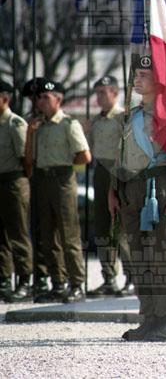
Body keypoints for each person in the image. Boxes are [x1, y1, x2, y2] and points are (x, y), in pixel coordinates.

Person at [108, 56, 166, 342]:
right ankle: (148, 318)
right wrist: (112, 191)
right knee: (138, 256)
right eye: (137, 74)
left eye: (145, 75)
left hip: (158, 187)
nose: (137, 79)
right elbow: (120, 155)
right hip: (129, 188)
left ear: (159, 81)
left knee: (160, 256)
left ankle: (165, 322)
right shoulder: (130, 115)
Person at [24, 79, 92, 304]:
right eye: (39, 98)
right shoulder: (38, 126)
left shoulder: (68, 124)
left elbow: (84, 155)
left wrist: (63, 164)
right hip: (41, 179)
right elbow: (29, 159)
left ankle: (77, 284)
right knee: (47, 236)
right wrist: (30, 134)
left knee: (68, 234)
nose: (41, 102)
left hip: (62, 179)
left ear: (58, 99)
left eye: (46, 97)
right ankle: (58, 282)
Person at [86, 75, 133, 298]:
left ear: (115, 93)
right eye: (97, 93)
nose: (99, 97)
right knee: (102, 227)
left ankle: (131, 277)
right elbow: (90, 150)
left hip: (119, 171)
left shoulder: (123, 117)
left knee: (121, 227)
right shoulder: (95, 121)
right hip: (100, 171)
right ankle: (108, 277)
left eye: (103, 92)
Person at [0, 80, 33, 303]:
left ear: (5, 99)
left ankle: (24, 280)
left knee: (18, 233)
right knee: (1, 236)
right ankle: (4, 279)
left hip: (14, 181)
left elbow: (26, 159)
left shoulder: (15, 124)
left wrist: (23, 183)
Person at [21, 78, 51, 302]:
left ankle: (50, 277)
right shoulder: (29, 122)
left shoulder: (50, 123)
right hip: (32, 177)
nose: (35, 102)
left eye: (38, 97)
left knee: (49, 233)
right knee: (35, 230)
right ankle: (38, 276)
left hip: (48, 177)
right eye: (32, 99)